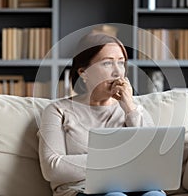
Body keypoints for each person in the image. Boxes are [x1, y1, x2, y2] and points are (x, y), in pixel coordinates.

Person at [37, 32, 166, 196]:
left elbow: (153, 161)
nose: (118, 73)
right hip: (83, 190)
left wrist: (130, 109)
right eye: (107, 63)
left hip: (134, 187)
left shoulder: (133, 109)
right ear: (83, 72)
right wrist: (117, 159)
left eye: (121, 63)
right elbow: (52, 168)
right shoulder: (58, 110)